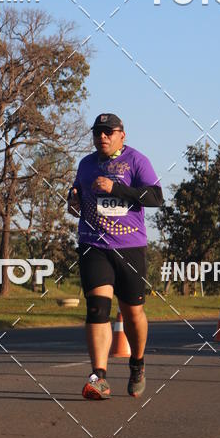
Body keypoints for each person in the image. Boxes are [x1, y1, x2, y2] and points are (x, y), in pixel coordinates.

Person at [67, 113, 163, 400]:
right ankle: (99, 377)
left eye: (108, 132)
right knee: (97, 308)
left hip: (129, 247)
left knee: (133, 313)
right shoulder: (86, 164)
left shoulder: (137, 161)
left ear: (122, 135)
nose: (102, 137)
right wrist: (73, 199)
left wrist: (117, 188)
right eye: (98, 132)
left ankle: (137, 364)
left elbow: (156, 198)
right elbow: (77, 191)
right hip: (93, 244)